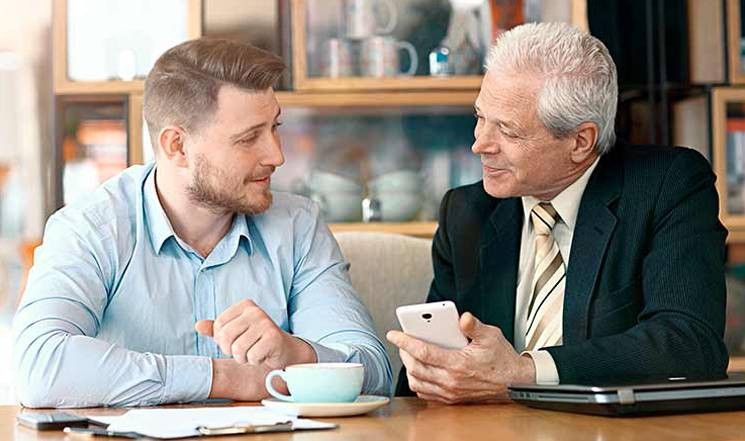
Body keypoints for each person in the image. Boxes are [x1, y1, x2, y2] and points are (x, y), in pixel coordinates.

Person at [13, 38, 391, 407]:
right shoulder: (92, 228)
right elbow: (37, 366)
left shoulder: (297, 225)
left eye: (274, 127)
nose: (276, 156)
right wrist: (223, 377)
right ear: (177, 146)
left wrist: (296, 354)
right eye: (248, 139)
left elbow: (374, 370)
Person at [387, 22, 728, 404]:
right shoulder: (466, 213)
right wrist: (433, 374)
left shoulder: (667, 186)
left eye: (508, 131)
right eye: (480, 117)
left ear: (581, 142)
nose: (479, 144)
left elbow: (689, 343)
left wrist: (528, 372)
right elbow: (418, 390)